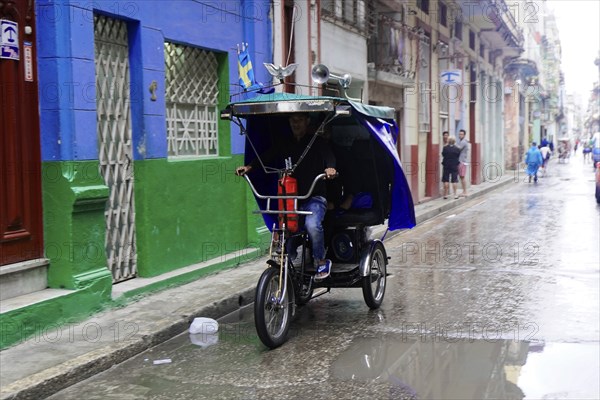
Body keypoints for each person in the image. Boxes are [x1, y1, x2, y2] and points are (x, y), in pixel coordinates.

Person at [236, 113, 337, 280]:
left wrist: (330, 168)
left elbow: (330, 157)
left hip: (315, 198)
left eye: (299, 120)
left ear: (307, 121)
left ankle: (320, 261)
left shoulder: (317, 142)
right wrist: (250, 167)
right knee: (285, 229)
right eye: (292, 121)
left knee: (312, 225)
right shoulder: (285, 143)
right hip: (292, 200)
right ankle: (286, 263)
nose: (296, 124)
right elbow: (267, 156)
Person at [456, 129, 470, 196]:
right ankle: (464, 191)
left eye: (461, 134)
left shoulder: (463, 142)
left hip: (462, 161)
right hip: (462, 161)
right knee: (462, 177)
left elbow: (458, 149)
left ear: (464, 135)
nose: (460, 135)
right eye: (459, 134)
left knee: (462, 177)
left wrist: (453, 144)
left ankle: (465, 192)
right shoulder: (462, 141)